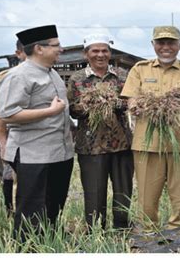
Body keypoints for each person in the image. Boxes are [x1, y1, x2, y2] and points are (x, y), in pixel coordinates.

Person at [121, 26, 180, 229]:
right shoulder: (140, 69)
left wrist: (174, 111)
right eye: (161, 43)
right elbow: (131, 98)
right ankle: (148, 230)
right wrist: (138, 106)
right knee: (146, 191)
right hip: (147, 143)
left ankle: (178, 229)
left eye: (171, 43)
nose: (166, 47)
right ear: (153, 45)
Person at [0, 25, 74, 239]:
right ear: (39, 48)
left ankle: (49, 244)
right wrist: (49, 111)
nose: (61, 49)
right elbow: (8, 114)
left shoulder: (53, 74)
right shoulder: (19, 76)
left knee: (53, 205)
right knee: (32, 210)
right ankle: (28, 247)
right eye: (56, 45)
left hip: (59, 153)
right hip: (34, 155)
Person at [67, 34, 134, 230]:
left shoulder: (122, 76)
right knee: (94, 192)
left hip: (121, 144)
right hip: (91, 146)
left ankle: (122, 229)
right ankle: (96, 231)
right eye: (95, 51)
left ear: (110, 53)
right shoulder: (77, 79)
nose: (100, 55)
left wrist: (113, 103)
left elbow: (131, 103)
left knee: (123, 191)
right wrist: (90, 104)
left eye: (104, 51)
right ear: (86, 54)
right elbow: (72, 110)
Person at [0, 40, 27, 216]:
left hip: (43, 142)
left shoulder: (50, 75)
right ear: (19, 54)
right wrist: (3, 143)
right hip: (14, 136)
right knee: (11, 176)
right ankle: (11, 212)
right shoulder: (4, 77)